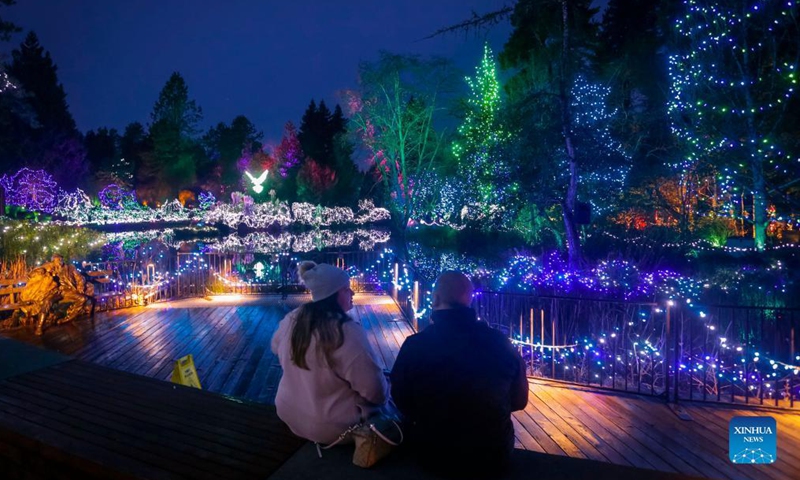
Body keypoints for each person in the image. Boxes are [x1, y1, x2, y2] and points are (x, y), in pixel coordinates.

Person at [391, 271, 529, 478]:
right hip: (492, 452)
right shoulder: (500, 342)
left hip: (433, 452)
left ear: (435, 299)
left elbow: (401, 399)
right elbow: (519, 401)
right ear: (469, 299)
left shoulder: (415, 345)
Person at [271, 261, 389, 444]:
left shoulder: (293, 318)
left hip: (289, 412)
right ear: (332, 295)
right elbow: (375, 392)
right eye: (346, 289)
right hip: (331, 428)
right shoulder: (346, 331)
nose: (352, 293)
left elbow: (275, 346)